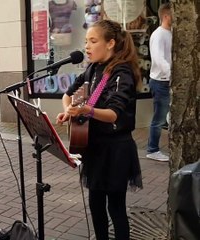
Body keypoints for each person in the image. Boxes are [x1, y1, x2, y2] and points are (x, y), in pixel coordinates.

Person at [56, 19, 143, 240]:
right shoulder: (93, 68)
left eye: (93, 41)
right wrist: (69, 112)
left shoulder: (121, 72)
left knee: (116, 208)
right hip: (95, 147)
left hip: (115, 149)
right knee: (95, 204)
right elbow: (68, 94)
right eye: (86, 41)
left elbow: (113, 114)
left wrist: (87, 111)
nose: (87, 47)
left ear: (111, 43)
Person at [146, 3, 172, 162]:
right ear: (166, 16)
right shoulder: (159, 35)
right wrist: (172, 75)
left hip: (167, 81)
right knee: (159, 118)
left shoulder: (170, 33)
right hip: (161, 82)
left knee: (166, 116)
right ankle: (152, 149)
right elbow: (159, 59)